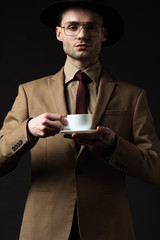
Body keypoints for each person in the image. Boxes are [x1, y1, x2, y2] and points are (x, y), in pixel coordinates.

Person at [0, 0, 160, 239]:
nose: (82, 34)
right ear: (59, 33)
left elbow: (155, 168)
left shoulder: (133, 95)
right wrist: (28, 131)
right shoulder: (29, 92)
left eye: (92, 27)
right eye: (72, 27)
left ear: (103, 34)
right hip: (43, 227)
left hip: (110, 227)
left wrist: (115, 146)